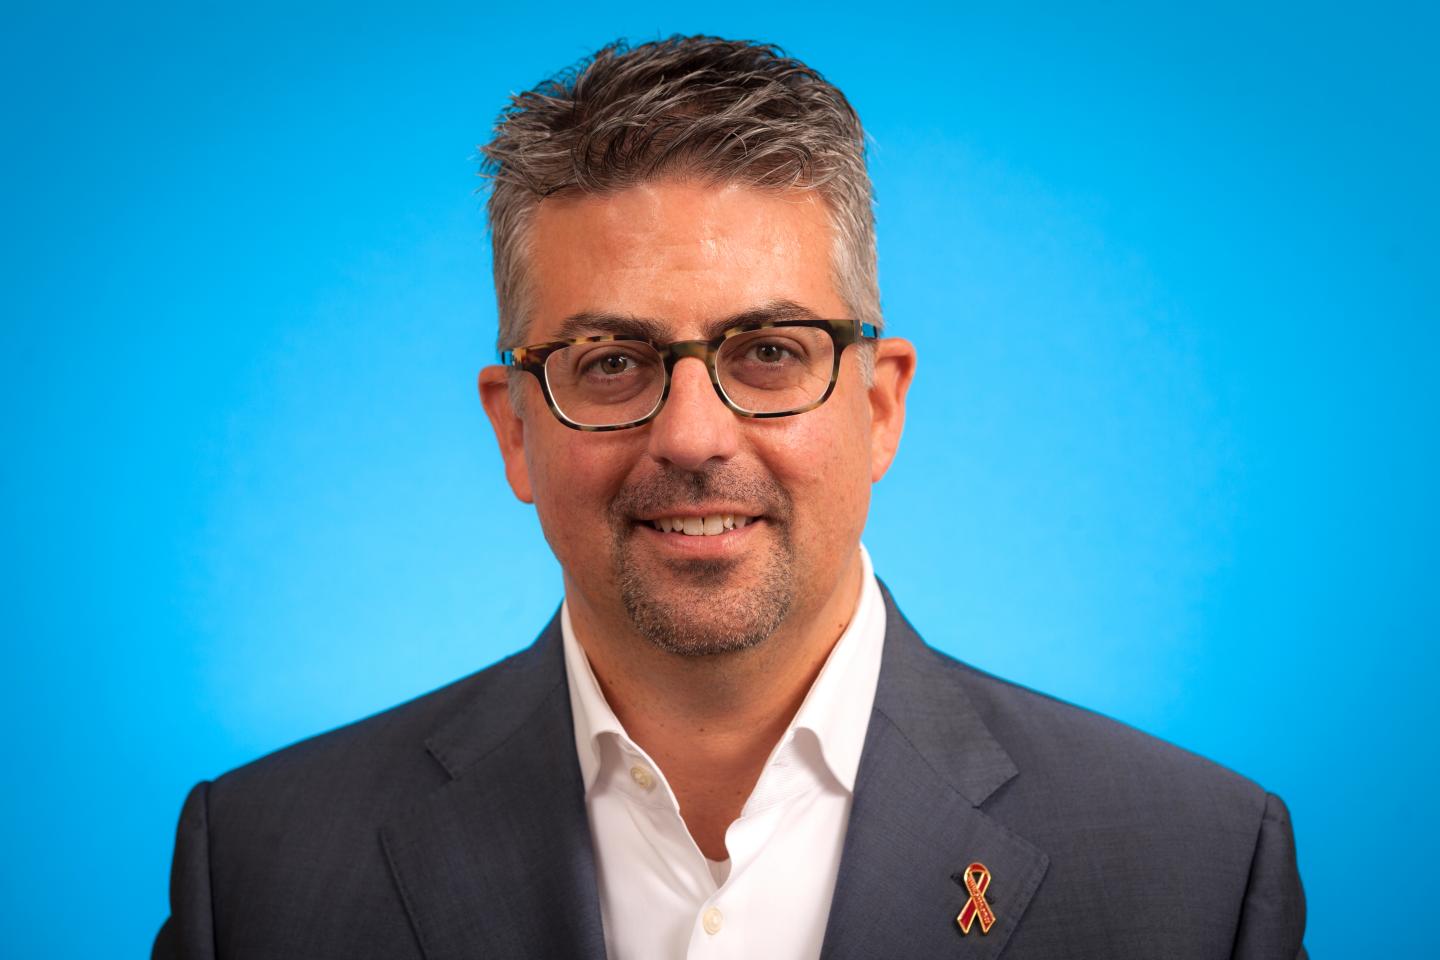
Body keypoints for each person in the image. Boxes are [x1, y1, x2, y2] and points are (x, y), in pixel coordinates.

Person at [154, 36, 1307, 960]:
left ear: (879, 406)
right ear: (514, 430)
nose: (693, 436)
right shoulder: (259, 872)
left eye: (768, 352)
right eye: (611, 361)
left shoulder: (1199, 875)